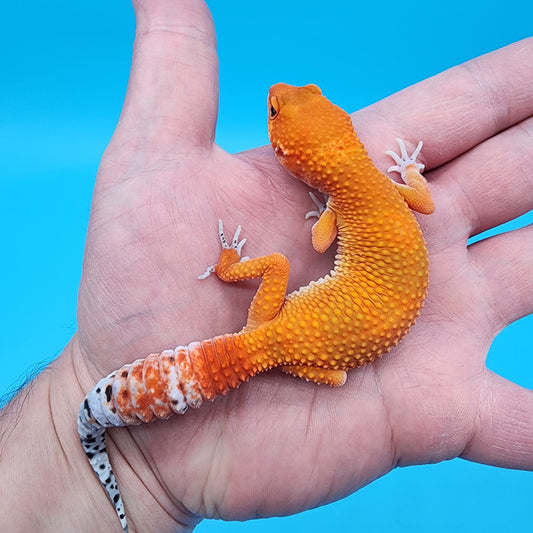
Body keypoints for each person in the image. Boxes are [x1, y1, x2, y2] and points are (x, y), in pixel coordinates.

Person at [1, 0, 532, 531]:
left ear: (294, 157)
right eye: (286, 107)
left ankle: (228, 272)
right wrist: (411, 173)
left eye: (280, 113)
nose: (280, 98)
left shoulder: (338, 208)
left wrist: (281, 237)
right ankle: (99, 424)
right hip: (317, 350)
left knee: (277, 266)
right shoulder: (373, 190)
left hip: (288, 335)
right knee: (332, 364)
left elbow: (324, 236)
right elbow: (425, 203)